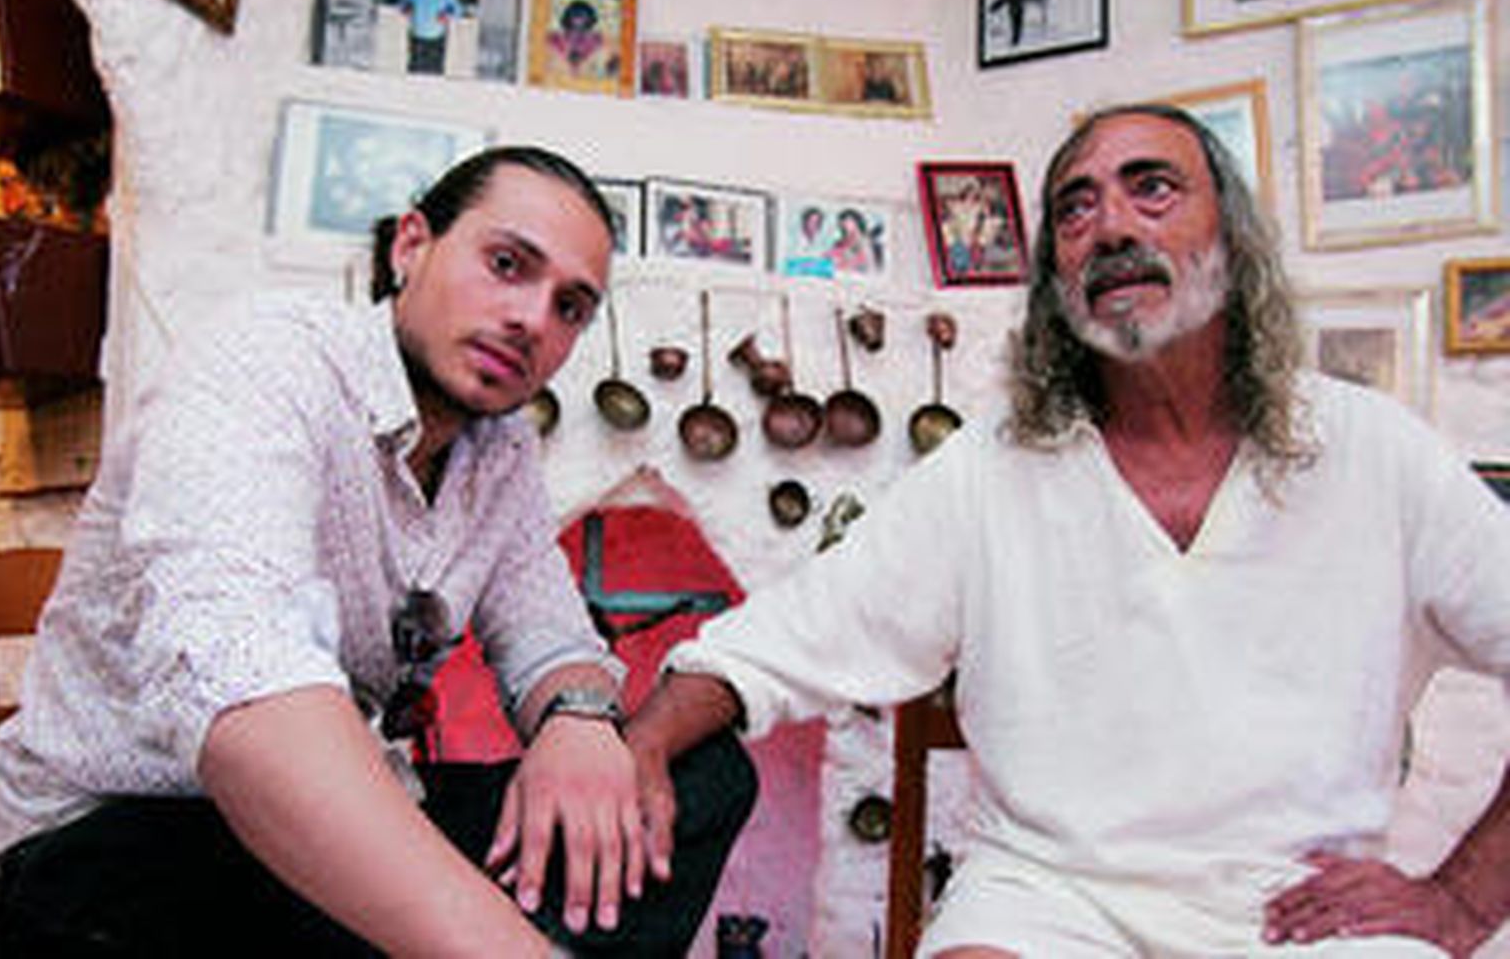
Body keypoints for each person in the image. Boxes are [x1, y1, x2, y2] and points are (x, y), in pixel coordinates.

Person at [623, 104, 1510, 957]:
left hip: (1298, 909)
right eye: (1076, 208)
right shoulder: (992, 469)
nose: (1111, 226)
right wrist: (643, 744)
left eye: (1152, 188)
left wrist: (1463, 899)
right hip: (1045, 898)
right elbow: (792, 637)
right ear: (1055, 279)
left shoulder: (1371, 450)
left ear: (1233, 240)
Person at [0, 146, 755, 957]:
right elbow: (247, 699)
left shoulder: (501, 453)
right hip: (115, 851)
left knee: (696, 777)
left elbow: (551, 638)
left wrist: (578, 719)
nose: (532, 319)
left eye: (569, 307)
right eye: (506, 264)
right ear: (411, 245)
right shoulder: (266, 361)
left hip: (328, 831)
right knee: (376, 886)